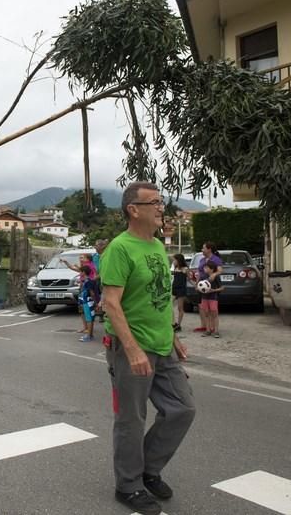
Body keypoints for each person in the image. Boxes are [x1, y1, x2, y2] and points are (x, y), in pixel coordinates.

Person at [100, 181, 195, 515]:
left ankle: (148, 470)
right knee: (131, 419)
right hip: (131, 347)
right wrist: (132, 349)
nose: (160, 207)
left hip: (162, 345)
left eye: (161, 202)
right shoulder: (119, 249)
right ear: (133, 209)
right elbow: (110, 303)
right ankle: (128, 485)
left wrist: (175, 336)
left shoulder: (156, 246)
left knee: (182, 409)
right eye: (154, 202)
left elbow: (159, 298)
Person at [193, 241, 223, 333]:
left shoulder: (216, 259)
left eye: (203, 248)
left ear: (209, 249)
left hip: (210, 286)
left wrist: (214, 275)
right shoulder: (202, 260)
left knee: (212, 309)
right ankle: (205, 326)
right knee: (202, 306)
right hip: (201, 286)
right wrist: (196, 283)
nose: (202, 250)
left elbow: (220, 270)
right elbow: (199, 273)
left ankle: (213, 328)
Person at [199, 260, 224, 338]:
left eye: (206, 267)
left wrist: (214, 290)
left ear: (212, 269)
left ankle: (216, 331)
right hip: (204, 298)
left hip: (213, 298)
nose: (204, 269)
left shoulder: (215, 276)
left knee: (214, 314)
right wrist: (198, 288)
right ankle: (208, 330)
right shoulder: (203, 276)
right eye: (204, 267)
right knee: (206, 314)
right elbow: (198, 286)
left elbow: (222, 288)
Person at [78, 266, 97, 341]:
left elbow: (92, 293)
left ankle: (89, 336)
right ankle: (90, 335)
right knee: (90, 318)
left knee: (89, 319)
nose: (80, 273)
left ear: (83, 272)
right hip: (87, 302)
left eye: (80, 272)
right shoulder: (86, 281)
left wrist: (95, 303)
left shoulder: (88, 281)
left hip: (88, 302)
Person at [171, 254, 189, 332]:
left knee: (180, 308)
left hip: (181, 289)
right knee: (169, 304)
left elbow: (190, 278)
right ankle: (173, 322)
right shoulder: (175, 268)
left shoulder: (185, 269)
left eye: (174, 260)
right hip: (174, 288)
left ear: (179, 260)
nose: (173, 262)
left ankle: (178, 324)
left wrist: (195, 285)